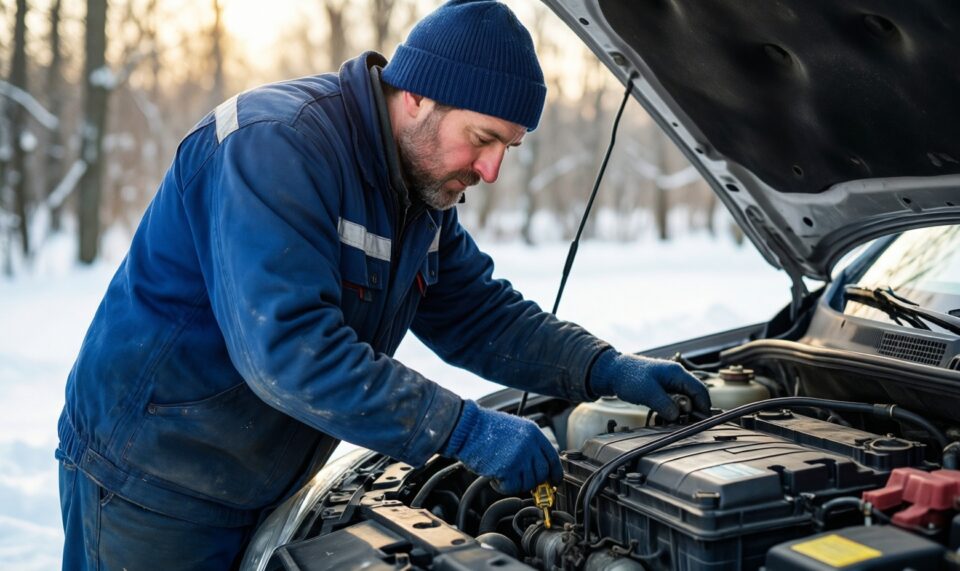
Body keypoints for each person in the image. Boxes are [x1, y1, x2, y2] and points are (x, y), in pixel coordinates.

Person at [56, 0, 711, 568]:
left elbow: (481, 314)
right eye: (483, 139)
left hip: (259, 473)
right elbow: (288, 351)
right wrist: (466, 431)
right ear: (419, 95)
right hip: (155, 482)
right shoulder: (276, 147)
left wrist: (605, 367)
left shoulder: (414, 189)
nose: (490, 171)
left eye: (506, 149)